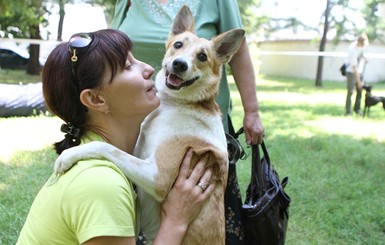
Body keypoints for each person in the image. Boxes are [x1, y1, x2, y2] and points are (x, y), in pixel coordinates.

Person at [17, 29, 214, 245]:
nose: (149, 69)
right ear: (95, 100)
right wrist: (176, 221)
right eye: (128, 66)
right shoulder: (101, 184)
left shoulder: (113, 160)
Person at [110, 1, 265, 244]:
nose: (183, 60)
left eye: (201, 57)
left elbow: (156, 182)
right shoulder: (126, 3)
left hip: (195, 119)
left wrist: (252, 111)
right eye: (179, 45)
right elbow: (109, 49)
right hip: (148, 106)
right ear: (170, 40)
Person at [345, 34, 368, 116]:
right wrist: (358, 81)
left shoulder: (362, 47)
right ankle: (348, 111)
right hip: (351, 72)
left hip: (360, 71)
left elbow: (361, 55)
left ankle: (357, 109)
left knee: (360, 90)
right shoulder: (352, 49)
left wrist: (364, 58)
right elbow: (354, 67)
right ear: (359, 42)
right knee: (350, 91)